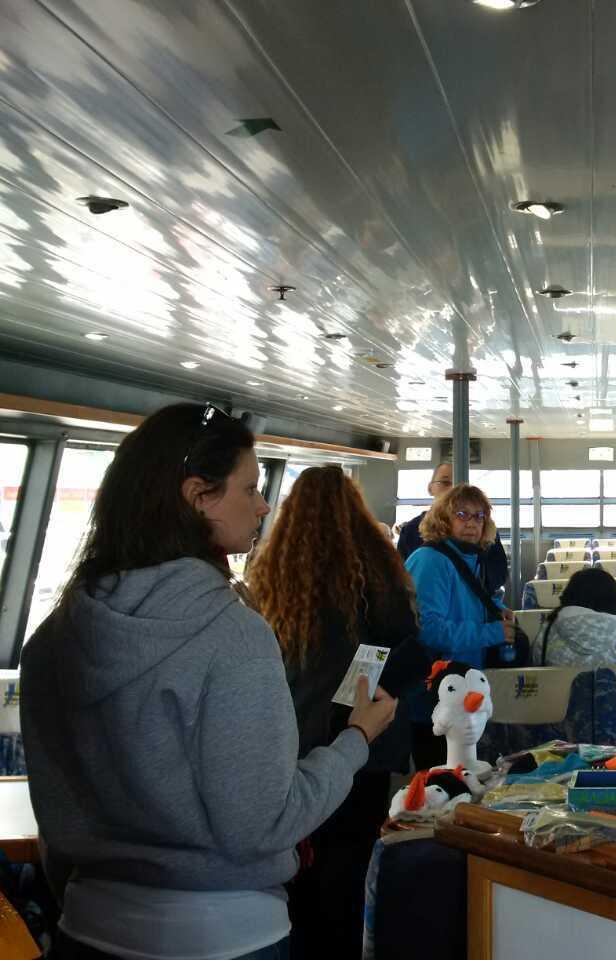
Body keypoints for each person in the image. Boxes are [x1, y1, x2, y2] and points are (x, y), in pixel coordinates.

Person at [20, 403, 397, 960]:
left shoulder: (53, 639)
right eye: (250, 488)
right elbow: (265, 822)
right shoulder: (233, 635)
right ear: (199, 496)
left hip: (86, 927)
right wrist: (356, 739)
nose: (263, 505)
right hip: (224, 935)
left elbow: (56, 819)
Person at [249, 465, 431, 958]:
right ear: (354, 508)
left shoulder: (271, 574)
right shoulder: (376, 569)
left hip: (292, 734)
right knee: (351, 861)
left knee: (300, 852)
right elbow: (408, 640)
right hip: (362, 732)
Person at [405, 483, 516, 770]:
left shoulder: (470, 557)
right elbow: (428, 629)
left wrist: (495, 609)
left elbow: (465, 602)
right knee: (441, 779)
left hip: (462, 686)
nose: (472, 523)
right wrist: (491, 632)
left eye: (479, 516)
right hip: (434, 695)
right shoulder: (431, 560)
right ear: (443, 519)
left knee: (464, 776)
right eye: (462, 514)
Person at [397, 461, 509, 589]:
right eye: (445, 483)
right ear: (430, 488)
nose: (452, 489)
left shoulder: (484, 529)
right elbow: (400, 578)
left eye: (458, 484)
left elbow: (498, 574)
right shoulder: (411, 531)